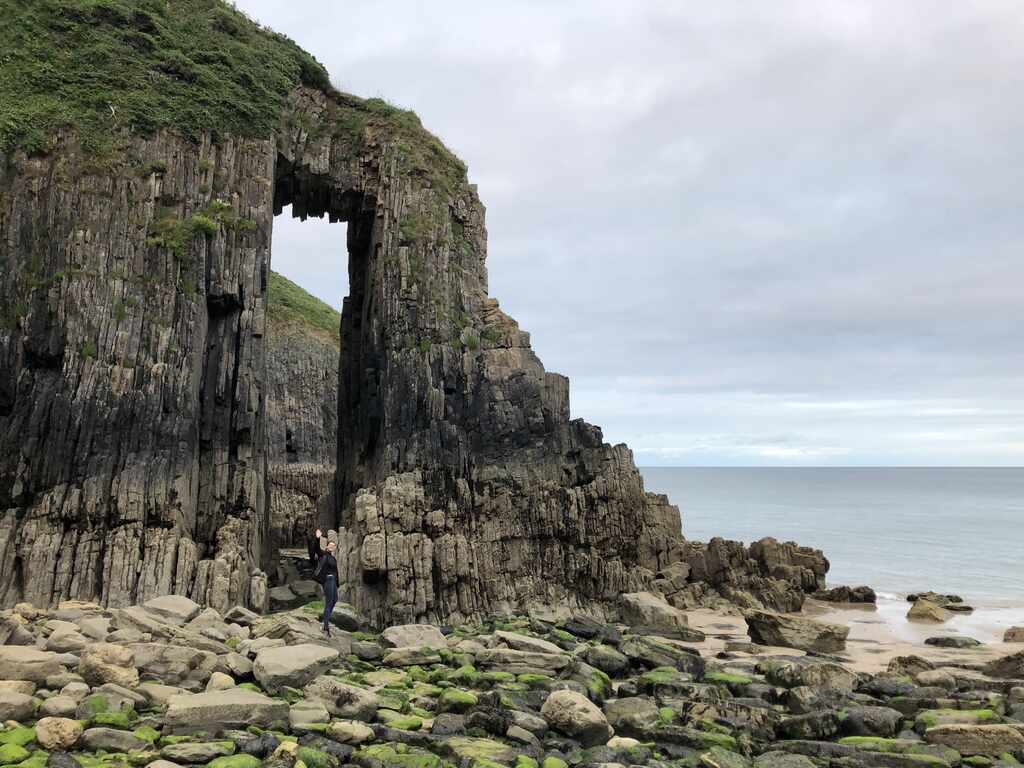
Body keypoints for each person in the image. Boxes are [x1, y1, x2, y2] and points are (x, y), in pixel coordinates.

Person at [308, 528, 339, 636]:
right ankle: (325, 626)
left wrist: (337, 584)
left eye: (333, 545)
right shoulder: (323, 555)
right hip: (328, 580)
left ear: (335, 548)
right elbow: (316, 548)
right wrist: (317, 538)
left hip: (333, 581)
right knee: (329, 602)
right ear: (327, 546)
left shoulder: (333, 559)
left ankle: (326, 621)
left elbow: (336, 572)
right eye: (330, 545)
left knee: (335, 600)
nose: (331, 546)